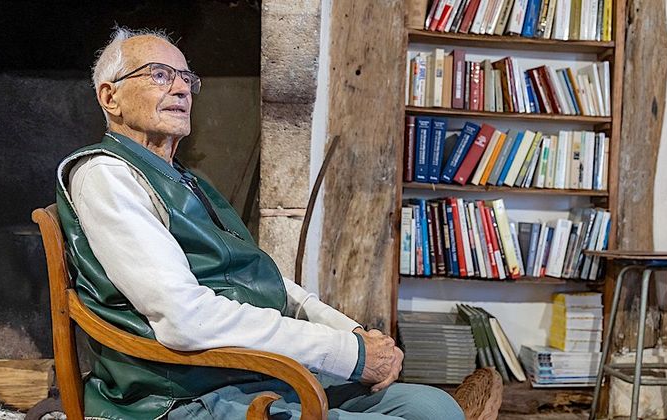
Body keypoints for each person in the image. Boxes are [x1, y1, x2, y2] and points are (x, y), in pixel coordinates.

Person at [56, 27, 499, 420]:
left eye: (187, 79)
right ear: (109, 97)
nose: (181, 89)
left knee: (435, 407)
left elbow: (262, 280)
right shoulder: (106, 175)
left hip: (246, 371)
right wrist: (349, 355)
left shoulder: (185, 180)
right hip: (182, 391)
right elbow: (184, 319)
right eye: (159, 75)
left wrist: (354, 335)